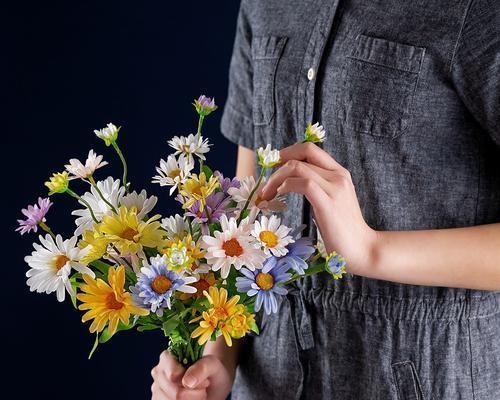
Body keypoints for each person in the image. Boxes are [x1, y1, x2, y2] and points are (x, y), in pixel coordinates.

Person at [151, 0, 500, 398]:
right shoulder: (264, 6)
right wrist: (218, 357)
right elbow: (243, 216)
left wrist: (371, 250)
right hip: (268, 379)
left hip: (425, 375)